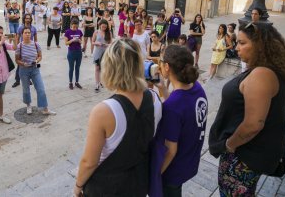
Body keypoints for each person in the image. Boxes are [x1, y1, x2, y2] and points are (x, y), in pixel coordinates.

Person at [209, 23, 285, 196]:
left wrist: (229, 145)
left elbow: (254, 124)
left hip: (243, 157)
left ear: (260, 45)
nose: (236, 47)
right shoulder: (269, 69)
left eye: (242, 43)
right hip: (248, 154)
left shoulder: (262, 74)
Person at [74, 38, 162, 197]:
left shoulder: (103, 111)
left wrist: (78, 186)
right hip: (139, 184)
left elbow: (89, 162)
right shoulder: (155, 99)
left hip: (105, 188)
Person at [150, 44, 207, 197]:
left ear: (167, 67)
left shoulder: (172, 106)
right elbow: (182, 111)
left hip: (171, 171)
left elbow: (170, 150)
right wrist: (163, 89)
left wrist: (154, 176)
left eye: (161, 60)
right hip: (188, 162)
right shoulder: (197, 88)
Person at [15, 27, 56, 116]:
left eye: (29, 33)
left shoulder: (36, 44)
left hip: (35, 69)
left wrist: (37, 61)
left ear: (31, 34)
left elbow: (40, 56)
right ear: (22, 34)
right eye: (25, 33)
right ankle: (28, 105)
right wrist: (23, 63)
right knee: (26, 89)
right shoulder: (19, 46)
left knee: (41, 89)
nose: (27, 34)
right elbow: (17, 60)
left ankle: (45, 108)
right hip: (23, 70)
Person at [12, 14, 38, 88]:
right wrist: (17, 48)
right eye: (26, 18)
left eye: (29, 18)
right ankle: (17, 80)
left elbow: (35, 39)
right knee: (20, 65)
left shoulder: (33, 28)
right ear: (24, 19)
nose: (28, 20)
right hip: (22, 48)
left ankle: (28, 79)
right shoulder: (20, 28)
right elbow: (17, 38)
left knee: (31, 63)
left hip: (31, 48)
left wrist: (36, 48)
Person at [92, 20, 112, 93]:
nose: (104, 27)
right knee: (97, 68)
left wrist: (105, 45)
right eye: (102, 26)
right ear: (100, 25)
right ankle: (97, 84)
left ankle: (101, 81)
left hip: (106, 52)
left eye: (105, 26)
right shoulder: (96, 32)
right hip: (97, 52)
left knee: (104, 68)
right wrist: (96, 43)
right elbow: (92, 42)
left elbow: (111, 43)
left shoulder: (109, 32)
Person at [65, 19, 83, 90]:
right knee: (71, 68)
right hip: (71, 52)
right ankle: (70, 82)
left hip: (78, 51)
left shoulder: (79, 31)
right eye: (73, 27)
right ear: (71, 25)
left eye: (76, 27)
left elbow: (81, 41)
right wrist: (72, 40)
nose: (75, 28)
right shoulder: (67, 32)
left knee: (77, 68)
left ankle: (77, 82)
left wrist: (79, 40)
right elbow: (66, 43)